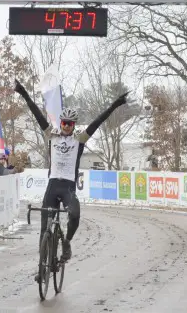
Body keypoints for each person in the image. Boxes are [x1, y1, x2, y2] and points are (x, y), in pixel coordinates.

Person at [14, 79, 128, 271]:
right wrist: (23, 93)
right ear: (61, 123)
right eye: (64, 123)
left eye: (70, 124)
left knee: (74, 214)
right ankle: (43, 266)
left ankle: (66, 242)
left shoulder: (79, 139)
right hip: (52, 186)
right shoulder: (52, 135)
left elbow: (98, 121)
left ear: (74, 125)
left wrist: (115, 105)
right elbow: (36, 114)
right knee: (44, 230)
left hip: (67, 187)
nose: (67, 126)